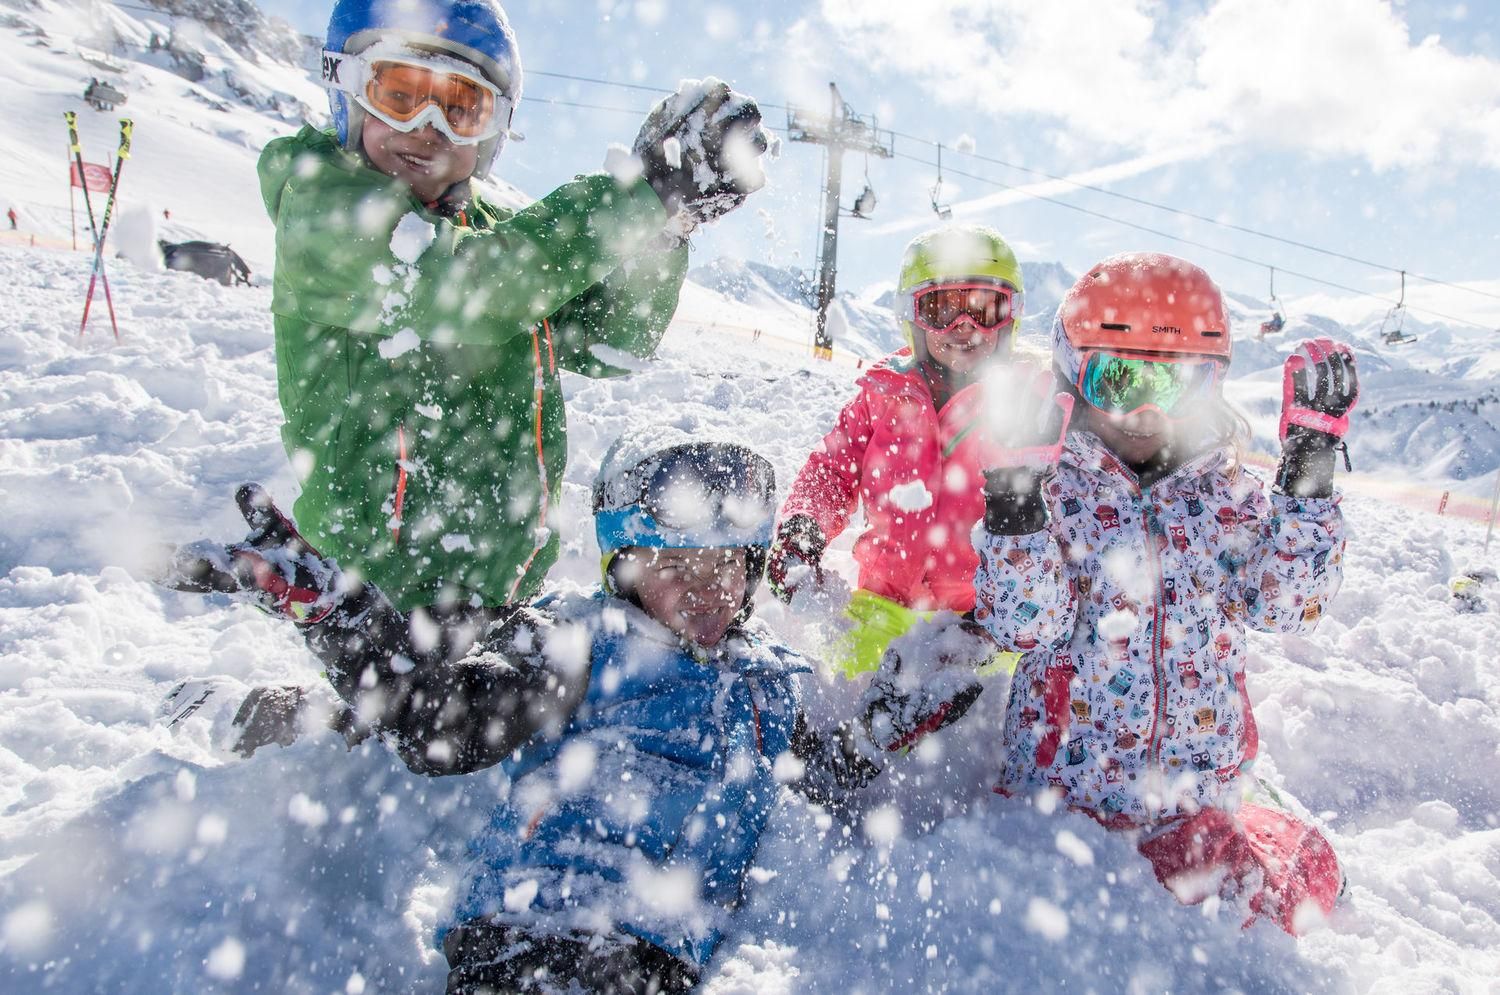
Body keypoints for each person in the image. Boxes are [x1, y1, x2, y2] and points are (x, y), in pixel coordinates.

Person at [159, 429, 991, 993]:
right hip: (535, 933)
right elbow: (438, 725)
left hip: (658, 957)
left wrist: (884, 723)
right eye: (674, 565)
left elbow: (823, 773)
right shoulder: (577, 641)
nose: (707, 588)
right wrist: (336, 612)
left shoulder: (772, 680)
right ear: (621, 567)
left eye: (726, 564)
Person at [259, 0, 771, 618]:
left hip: (497, 595)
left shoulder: (499, 238)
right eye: (399, 95)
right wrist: (639, 197)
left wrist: (663, 230)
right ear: (346, 90)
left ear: (493, 131)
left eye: (461, 108)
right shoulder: (323, 210)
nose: (428, 127)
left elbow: (613, 341)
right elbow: (470, 288)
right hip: (374, 601)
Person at [972, 251, 1359, 935]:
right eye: (1119, 379)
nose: (1147, 411)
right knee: (1089, 929)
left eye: (1178, 382)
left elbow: (1287, 605)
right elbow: (1023, 623)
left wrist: (1310, 466)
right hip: (1065, 803)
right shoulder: (1056, 487)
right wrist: (1016, 498)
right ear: (1072, 373)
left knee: (1269, 902)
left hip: (1192, 804)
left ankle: (1249, 829)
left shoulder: (1224, 495)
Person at [767, 224, 1027, 677]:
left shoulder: (1024, 407)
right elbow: (832, 470)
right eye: (943, 309)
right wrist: (804, 525)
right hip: (882, 605)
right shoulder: (883, 395)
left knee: (979, 714)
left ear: (1009, 318)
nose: (963, 326)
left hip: (979, 619)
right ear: (913, 316)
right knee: (846, 698)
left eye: (983, 309)